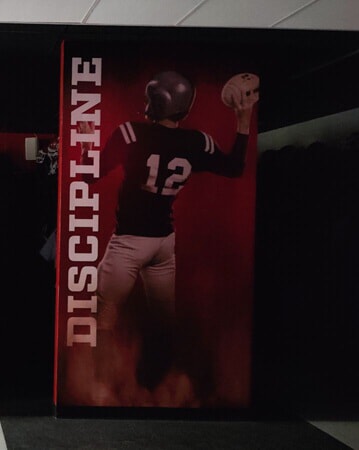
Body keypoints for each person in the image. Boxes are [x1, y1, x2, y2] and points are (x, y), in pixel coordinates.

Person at [82, 71, 256, 391]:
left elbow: (89, 176)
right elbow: (234, 167)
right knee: (163, 320)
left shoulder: (131, 134)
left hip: (129, 243)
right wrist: (243, 119)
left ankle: (98, 379)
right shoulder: (195, 142)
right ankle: (157, 384)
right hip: (164, 243)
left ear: (159, 102)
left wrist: (86, 140)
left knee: (102, 314)